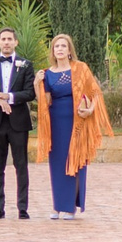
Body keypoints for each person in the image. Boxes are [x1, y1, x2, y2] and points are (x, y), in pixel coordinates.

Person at [34, 32, 114, 220]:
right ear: (53, 51)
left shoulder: (80, 68)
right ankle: (57, 206)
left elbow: (95, 92)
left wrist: (90, 110)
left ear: (70, 50)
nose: (60, 49)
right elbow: (45, 102)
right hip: (56, 122)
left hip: (78, 121)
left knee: (76, 161)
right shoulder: (47, 74)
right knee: (57, 163)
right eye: (56, 46)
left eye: (63, 46)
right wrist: (37, 83)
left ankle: (70, 207)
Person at [0, 26, 35, 220]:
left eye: (10, 39)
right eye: (3, 39)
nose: (6, 42)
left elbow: (30, 92)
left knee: (21, 165)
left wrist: (9, 97)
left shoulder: (26, 65)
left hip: (18, 122)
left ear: (16, 42)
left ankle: (22, 208)